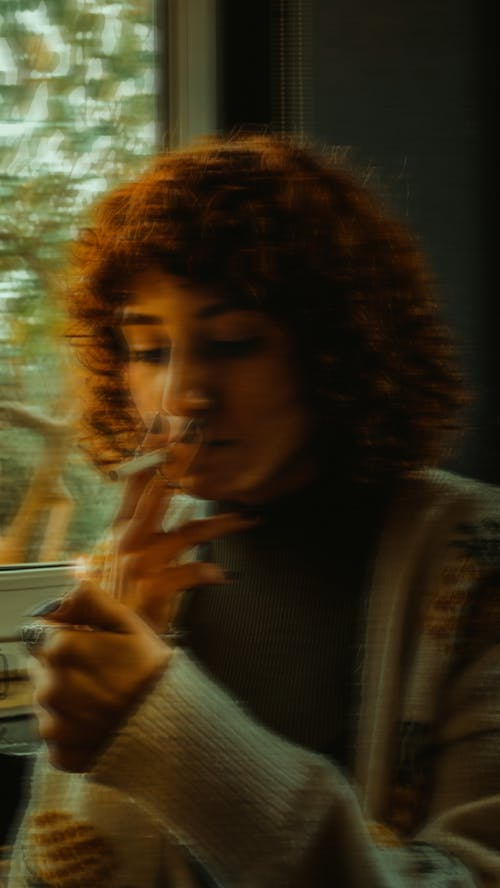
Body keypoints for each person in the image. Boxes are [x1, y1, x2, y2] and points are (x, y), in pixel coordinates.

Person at [8, 134, 500, 887]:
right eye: (146, 349)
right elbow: (54, 873)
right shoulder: (134, 571)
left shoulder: (475, 559)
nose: (182, 396)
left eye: (235, 343)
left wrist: (161, 724)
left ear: (335, 349)